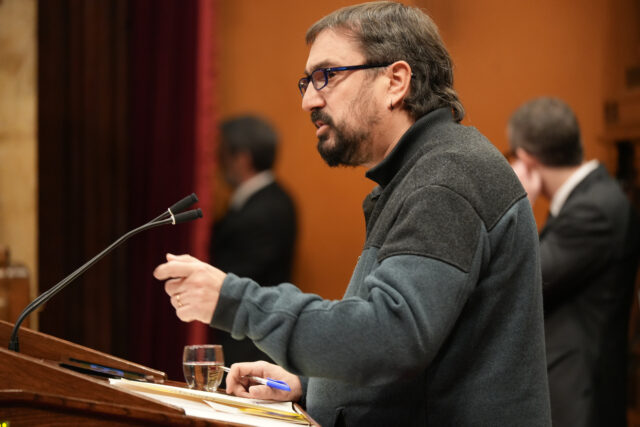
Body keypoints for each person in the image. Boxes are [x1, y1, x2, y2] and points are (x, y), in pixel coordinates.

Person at [154, 2, 551, 425]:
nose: (309, 100)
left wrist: (234, 301)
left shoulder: (447, 178)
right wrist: (310, 383)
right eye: (307, 82)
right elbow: (417, 349)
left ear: (395, 82)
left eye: (326, 75)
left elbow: (391, 337)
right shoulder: (422, 173)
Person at [508, 96, 640, 427]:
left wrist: (516, 203)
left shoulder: (594, 208)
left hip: (579, 400)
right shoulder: (593, 198)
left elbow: (521, 281)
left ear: (525, 158)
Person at [209, 115, 297, 365]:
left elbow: (234, 276)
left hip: (249, 344)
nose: (218, 164)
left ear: (242, 158)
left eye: (222, 155)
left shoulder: (265, 209)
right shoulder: (271, 199)